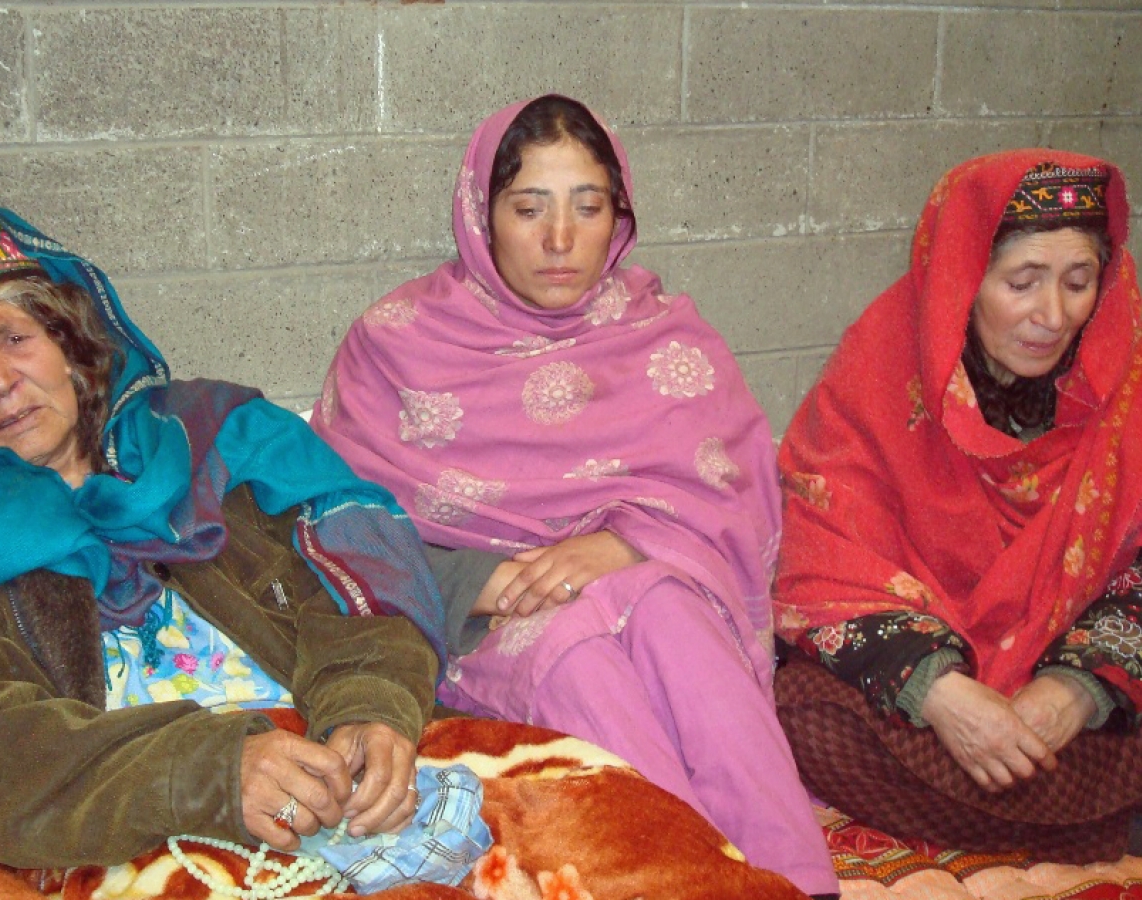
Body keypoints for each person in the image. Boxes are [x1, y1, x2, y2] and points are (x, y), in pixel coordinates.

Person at [311, 94, 839, 898]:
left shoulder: (664, 334)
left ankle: (799, 881)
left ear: (618, 217)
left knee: (667, 610)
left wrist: (620, 546)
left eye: (587, 207)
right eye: (530, 208)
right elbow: (339, 524)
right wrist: (478, 578)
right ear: (482, 217)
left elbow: (735, 495)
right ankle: (691, 882)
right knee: (577, 654)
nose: (561, 240)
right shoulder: (397, 344)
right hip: (489, 622)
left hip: (648, 581)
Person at [0, 208, 451, 872]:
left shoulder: (217, 443)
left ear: (70, 346)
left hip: (330, 788)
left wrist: (369, 709)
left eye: (14, 337)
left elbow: (361, 587)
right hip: (126, 850)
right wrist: (208, 773)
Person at [773, 150, 1142, 863]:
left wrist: (1076, 691)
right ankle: (1091, 823)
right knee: (807, 717)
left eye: (1079, 281)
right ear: (962, 278)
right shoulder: (879, 369)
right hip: (936, 696)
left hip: (1076, 698)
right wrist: (941, 696)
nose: (1054, 315)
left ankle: (1035, 811)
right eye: (1022, 282)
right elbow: (820, 565)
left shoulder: (1126, 387)